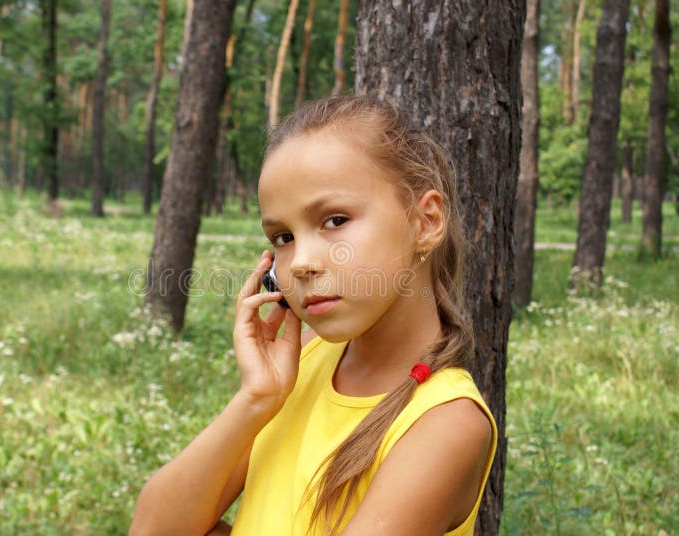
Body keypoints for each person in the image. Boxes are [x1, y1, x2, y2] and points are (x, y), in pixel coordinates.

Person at [129, 95, 497, 536]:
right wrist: (257, 399)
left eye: (335, 220)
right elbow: (152, 529)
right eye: (283, 236)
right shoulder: (303, 363)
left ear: (426, 222)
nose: (301, 262)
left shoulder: (445, 422)